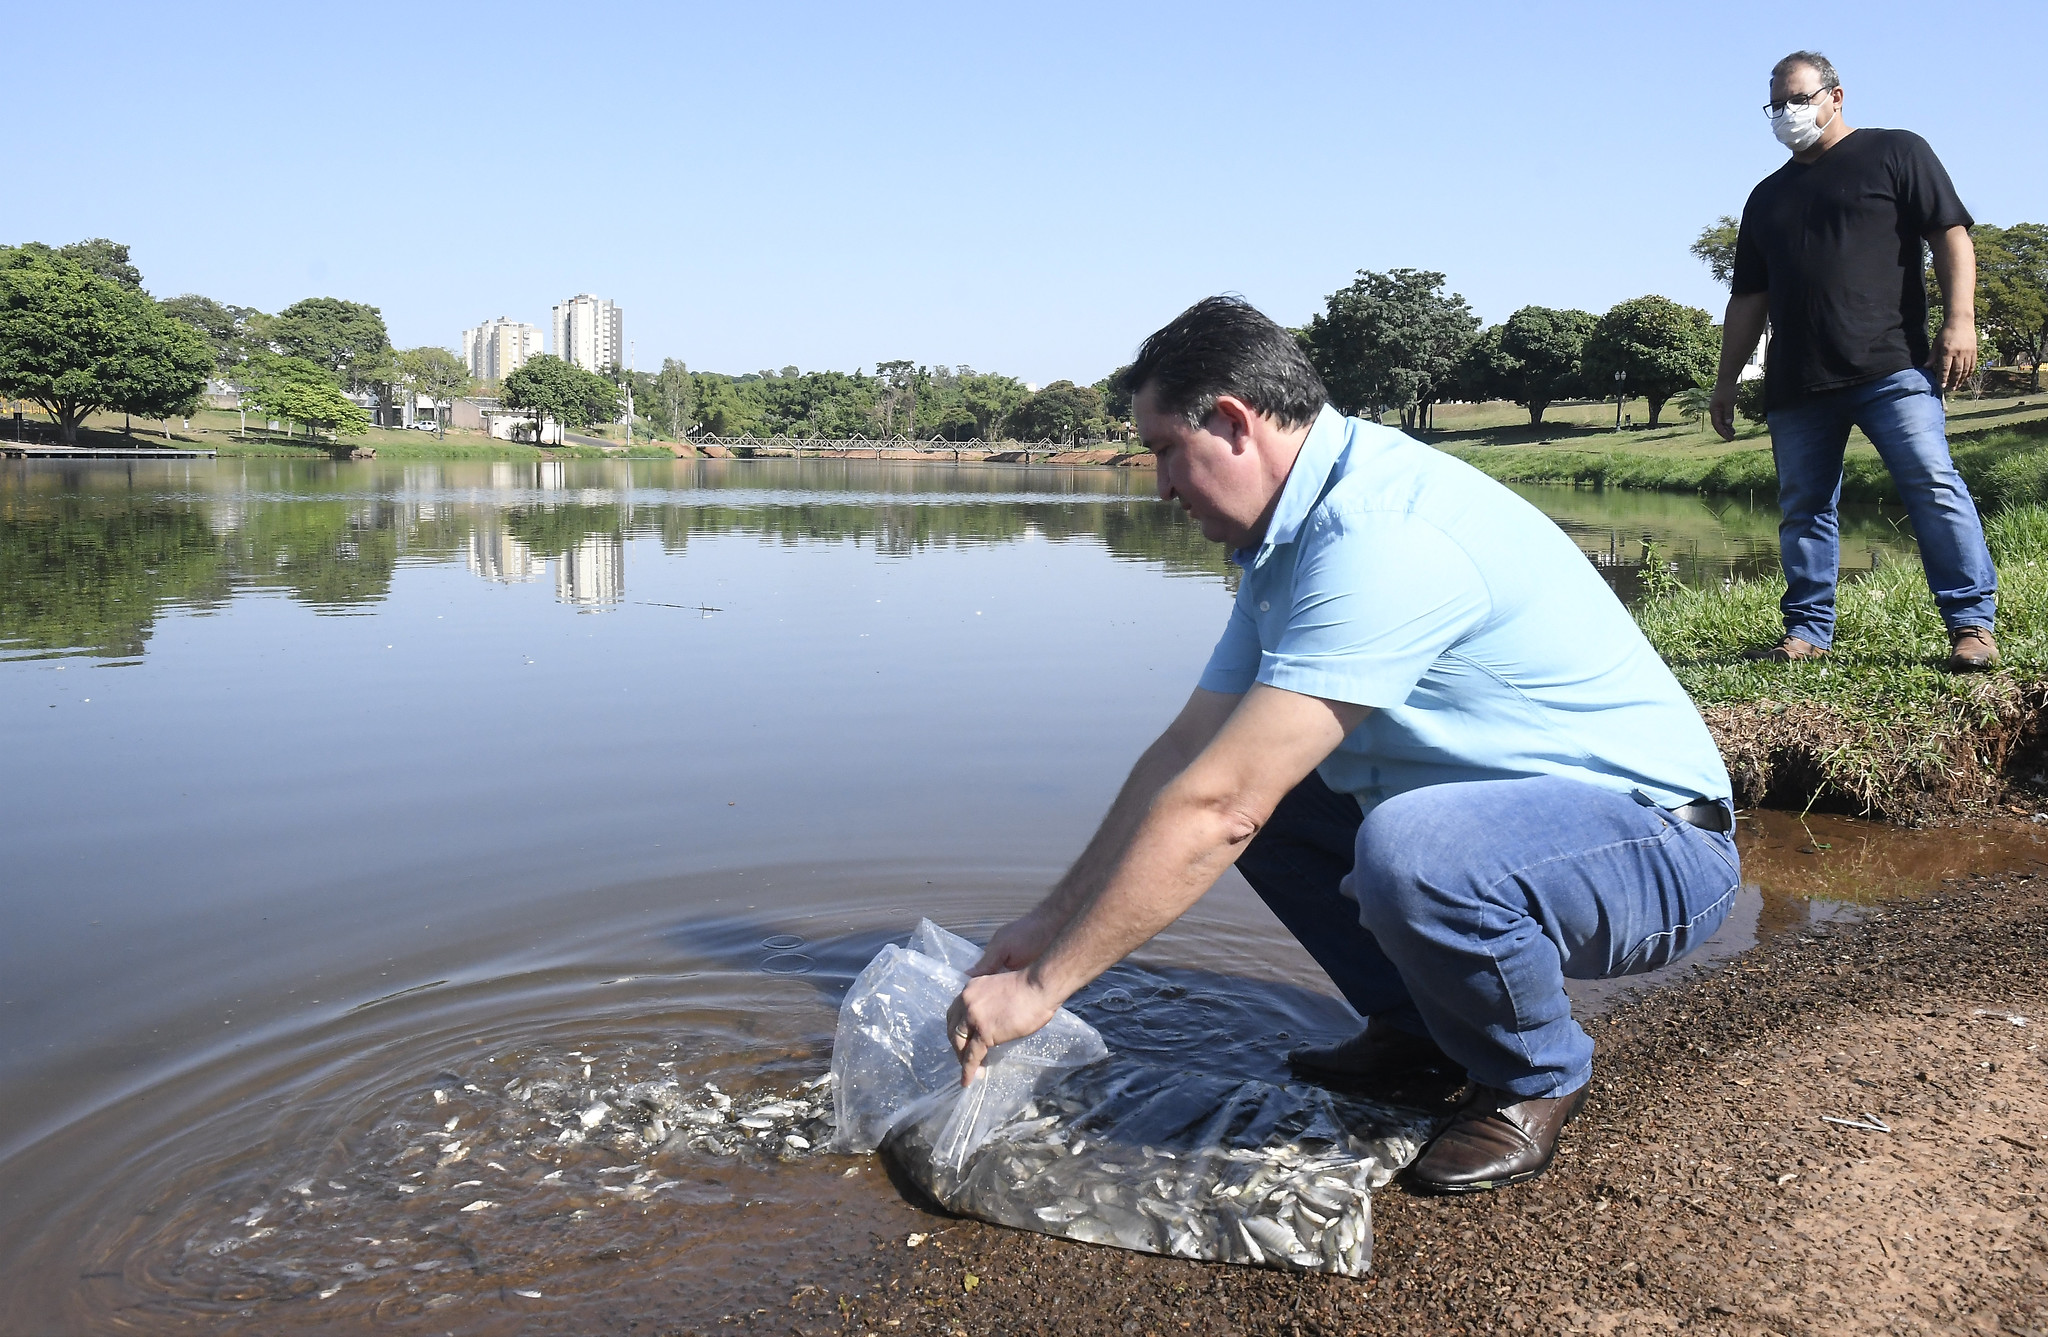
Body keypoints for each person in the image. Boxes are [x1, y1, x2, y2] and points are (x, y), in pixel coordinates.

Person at [946, 297, 1740, 1194]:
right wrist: (1045, 923)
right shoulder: (1288, 536)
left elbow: (1222, 808)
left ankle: (1532, 1074)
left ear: (1235, 423)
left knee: (1408, 851)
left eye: (1167, 449)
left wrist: (1043, 988)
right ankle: (1417, 1031)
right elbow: (1185, 756)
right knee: (1268, 791)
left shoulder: (1380, 534)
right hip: (1505, 819)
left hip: (1656, 844)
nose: (1159, 486)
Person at [1709, 50, 1998, 672]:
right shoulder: (1766, 197)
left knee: (1932, 486)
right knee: (1804, 509)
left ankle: (1971, 624)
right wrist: (1726, 380)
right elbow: (1748, 297)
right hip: (1796, 382)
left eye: (1799, 98)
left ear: (1836, 97)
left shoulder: (1896, 151)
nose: (1787, 113)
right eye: (1777, 104)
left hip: (1891, 368)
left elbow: (1950, 233)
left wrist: (1960, 320)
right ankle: (1808, 632)